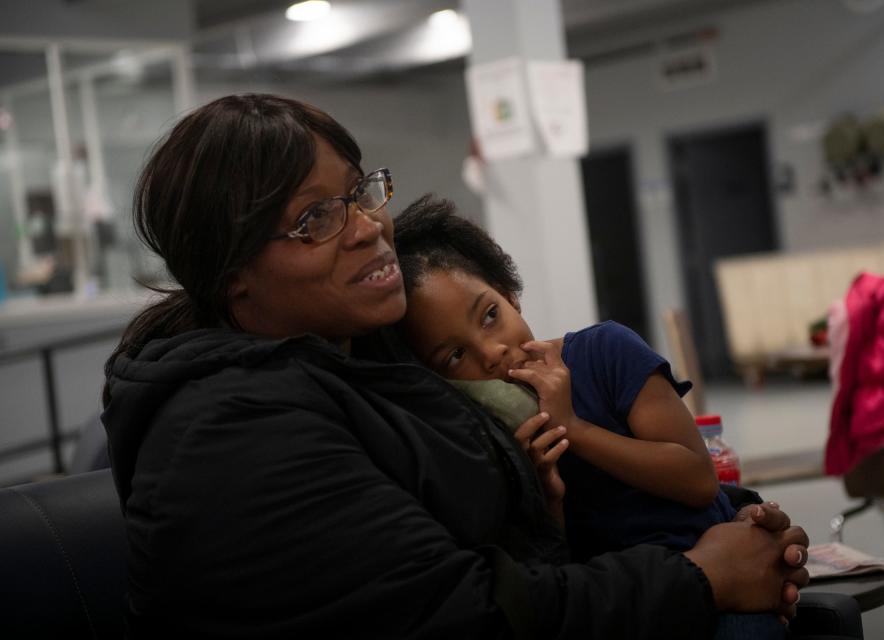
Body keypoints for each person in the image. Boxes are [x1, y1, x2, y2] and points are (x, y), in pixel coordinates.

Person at [101, 93, 809, 638]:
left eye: (357, 192)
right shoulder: (235, 429)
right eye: (316, 220)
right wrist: (697, 576)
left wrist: (739, 529)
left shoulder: (366, 357)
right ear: (233, 278)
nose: (369, 227)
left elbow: (540, 528)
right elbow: (467, 618)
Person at [393, 195, 791, 637]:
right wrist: (549, 499)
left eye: (489, 315)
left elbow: (698, 480)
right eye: (453, 356)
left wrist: (575, 429)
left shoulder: (604, 352)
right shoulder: (483, 432)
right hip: (632, 611)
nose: (491, 353)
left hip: (725, 585)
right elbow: (555, 570)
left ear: (509, 295)